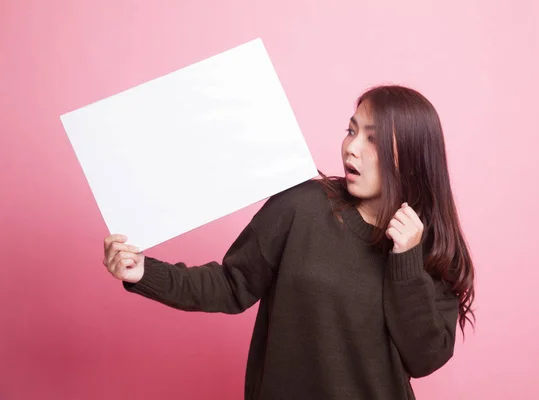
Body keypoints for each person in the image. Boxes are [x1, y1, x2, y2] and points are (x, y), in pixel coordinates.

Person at [103, 84, 475, 400]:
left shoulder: (434, 251)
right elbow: (231, 285)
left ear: (409, 158)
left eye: (372, 138)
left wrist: (406, 260)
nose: (351, 147)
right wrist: (143, 272)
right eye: (351, 130)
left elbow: (425, 358)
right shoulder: (304, 206)